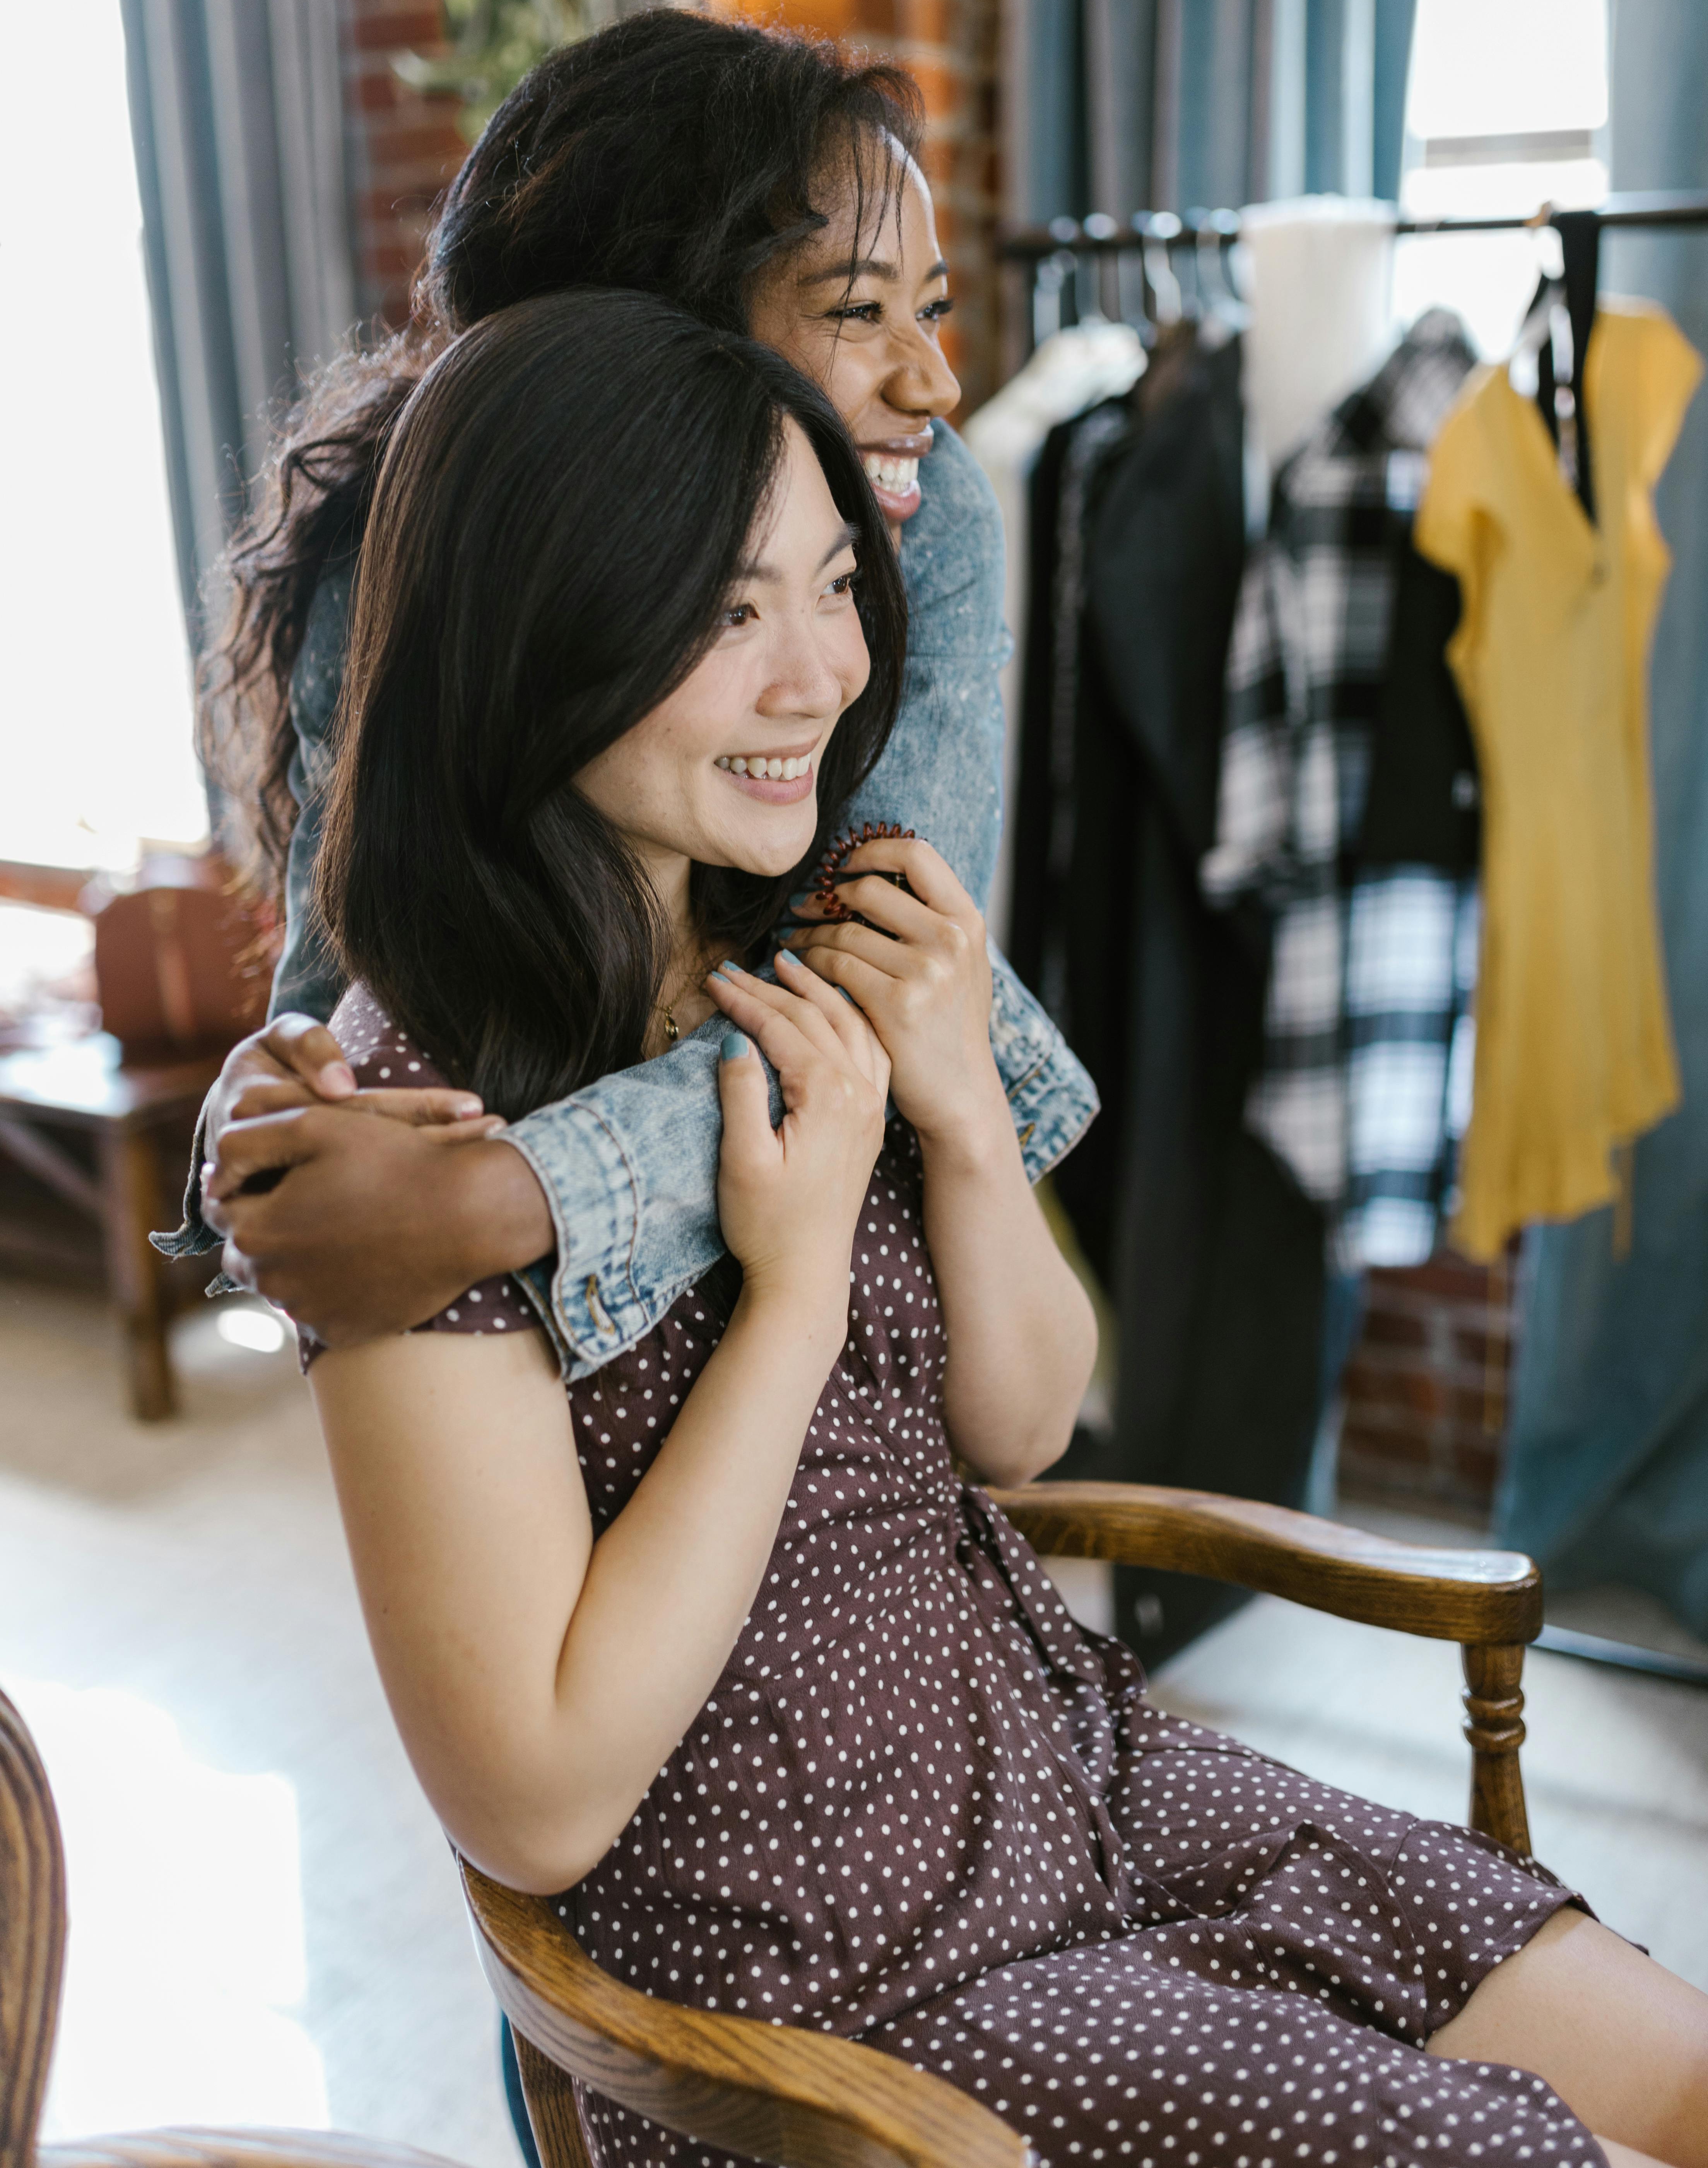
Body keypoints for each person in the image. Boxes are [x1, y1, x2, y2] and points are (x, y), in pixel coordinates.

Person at [216, 289, 1708, 2168]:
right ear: (538, 640)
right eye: (726, 611)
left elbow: (1024, 1425)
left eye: (834, 587)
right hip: (847, 1977)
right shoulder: (416, 1123)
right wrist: (794, 1290)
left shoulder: (819, 918)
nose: (821, 675)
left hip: (1078, 1773)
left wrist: (966, 1122)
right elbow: (541, 1799)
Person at [169, 9, 1094, 1366]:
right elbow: (349, 934)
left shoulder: (918, 502)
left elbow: (865, 979)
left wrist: (512, 1199)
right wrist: (275, 1100)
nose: (938, 381)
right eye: (858, 312)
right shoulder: (400, 529)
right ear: (651, 343)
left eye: (933, 308)